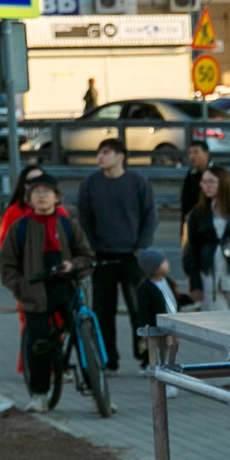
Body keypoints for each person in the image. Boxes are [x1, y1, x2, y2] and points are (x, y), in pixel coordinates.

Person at [0, 175, 95, 412]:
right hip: (34, 294)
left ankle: (96, 391)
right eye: (36, 193)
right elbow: (7, 265)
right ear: (28, 199)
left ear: (57, 197)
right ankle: (40, 394)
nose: (41, 197)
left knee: (84, 339)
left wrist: (72, 265)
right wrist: (21, 287)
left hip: (66, 290)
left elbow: (87, 256)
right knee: (38, 343)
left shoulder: (68, 225)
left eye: (46, 192)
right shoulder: (19, 228)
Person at [78, 141, 161, 370]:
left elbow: (149, 216)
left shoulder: (137, 182)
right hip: (103, 256)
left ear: (120, 156)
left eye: (106, 153)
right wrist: (93, 247)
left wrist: (141, 247)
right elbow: (84, 218)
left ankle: (145, 357)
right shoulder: (90, 184)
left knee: (139, 310)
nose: (100, 157)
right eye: (98, 153)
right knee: (103, 310)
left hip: (132, 256)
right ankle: (108, 358)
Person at [184, 166, 230, 310]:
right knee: (218, 322)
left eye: (211, 182)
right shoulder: (198, 214)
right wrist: (195, 284)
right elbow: (191, 249)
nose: (206, 186)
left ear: (223, 183)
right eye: (203, 182)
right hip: (209, 275)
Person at [136, 249, 186, 379]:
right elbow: (143, 310)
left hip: (173, 323)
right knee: (162, 349)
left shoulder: (168, 282)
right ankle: (161, 372)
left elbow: (175, 298)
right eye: (163, 262)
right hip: (159, 325)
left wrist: (191, 299)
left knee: (173, 347)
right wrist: (145, 327)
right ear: (154, 267)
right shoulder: (145, 288)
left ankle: (169, 368)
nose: (167, 264)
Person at [176, 142, 213, 242]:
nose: (192, 156)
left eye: (196, 152)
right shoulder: (191, 175)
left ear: (206, 154)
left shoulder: (216, 174)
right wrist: (183, 231)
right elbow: (185, 205)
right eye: (190, 153)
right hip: (192, 224)